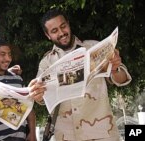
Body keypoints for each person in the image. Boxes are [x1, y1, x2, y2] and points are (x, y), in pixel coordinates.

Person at [37, 9, 132, 141]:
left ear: (68, 24)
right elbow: (41, 98)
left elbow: (122, 79)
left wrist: (115, 69)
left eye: (63, 26)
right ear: (48, 35)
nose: (61, 33)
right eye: (54, 31)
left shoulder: (94, 47)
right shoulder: (46, 63)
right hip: (65, 136)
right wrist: (37, 94)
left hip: (102, 134)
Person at [0, 39, 45, 141]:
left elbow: (29, 108)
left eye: (9, 54)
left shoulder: (17, 79)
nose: (8, 59)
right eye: (2, 54)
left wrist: (33, 134)